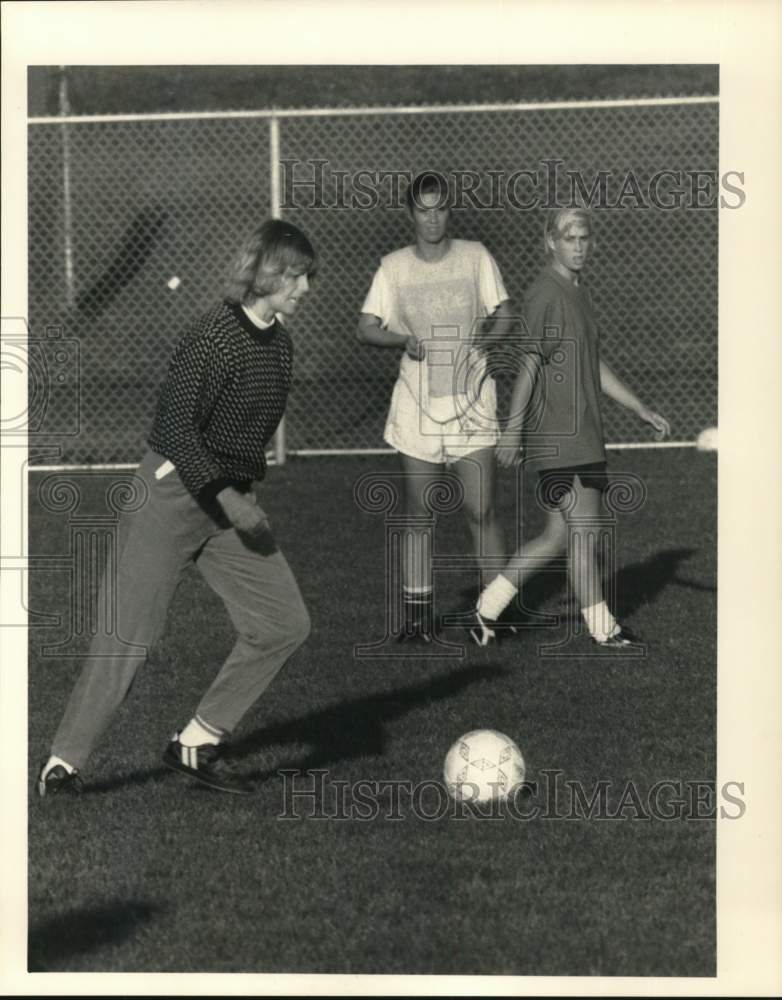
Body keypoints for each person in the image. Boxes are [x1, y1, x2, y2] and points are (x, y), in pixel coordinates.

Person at [37, 219, 316, 796]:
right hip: (168, 497)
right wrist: (228, 497)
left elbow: (243, 436)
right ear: (264, 273)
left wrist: (240, 496)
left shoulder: (281, 345)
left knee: (284, 623)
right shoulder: (213, 334)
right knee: (128, 638)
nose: (304, 287)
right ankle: (63, 764)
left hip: (227, 505)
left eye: (307, 276)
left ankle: (196, 741)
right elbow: (173, 427)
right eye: (294, 275)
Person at [468, 206, 670, 647]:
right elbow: (529, 363)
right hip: (563, 438)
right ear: (550, 242)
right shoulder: (547, 292)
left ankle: (485, 610)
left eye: (583, 238)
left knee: (558, 536)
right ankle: (604, 629)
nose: (577, 246)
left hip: (581, 434)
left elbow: (590, 363)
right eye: (568, 238)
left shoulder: (577, 291)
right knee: (584, 534)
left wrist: (638, 407)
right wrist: (512, 430)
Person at [357, 170, 514, 643]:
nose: (432, 218)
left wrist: (482, 342)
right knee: (419, 513)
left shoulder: (475, 257)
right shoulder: (394, 267)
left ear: (449, 211)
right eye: (423, 210)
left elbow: (504, 313)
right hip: (417, 405)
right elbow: (366, 326)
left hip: (472, 402)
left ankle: (493, 614)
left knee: (481, 509)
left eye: (440, 208)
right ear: (411, 214)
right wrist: (402, 339)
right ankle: (418, 619)